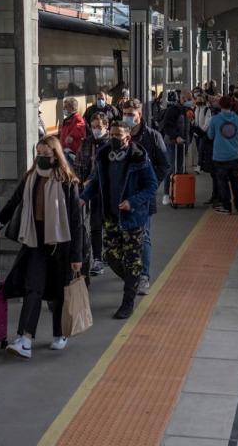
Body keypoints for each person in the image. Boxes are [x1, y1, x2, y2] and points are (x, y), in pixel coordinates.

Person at [0, 136, 84, 358]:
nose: (41, 159)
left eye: (46, 155)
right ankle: (25, 339)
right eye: (38, 155)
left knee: (58, 292)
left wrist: (76, 255)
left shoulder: (67, 181)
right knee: (33, 287)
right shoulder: (31, 178)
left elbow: (76, 222)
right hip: (35, 240)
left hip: (62, 243)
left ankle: (60, 333)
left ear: (55, 156)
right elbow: (14, 202)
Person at [80, 119, 158, 319]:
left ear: (127, 137)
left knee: (132, 260)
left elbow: (151, 186)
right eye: (112, 135)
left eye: (118, 136)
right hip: (111, 217)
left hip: (132, 218)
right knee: (112, 257)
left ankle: (127, 302)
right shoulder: (104, 155)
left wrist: (132, 202)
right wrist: (84, 197)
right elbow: (97, 180)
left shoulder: (139, 157)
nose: (113, 139)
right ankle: (132, 281)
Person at [121, 99, 169, 295]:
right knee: (124, 235)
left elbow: (164, 165)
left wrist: (151, 186)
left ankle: (144, 276)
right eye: (125, 113)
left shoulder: (152, 137)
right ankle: (129, 272)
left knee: (144, 236)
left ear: (140, 115)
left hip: (143, 197)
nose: (128, 117)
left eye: (131, 114)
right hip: (122, 196)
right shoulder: (119, 135)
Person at [75, 112, 110, 276]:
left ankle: (110, 252)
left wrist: (91, 179)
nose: (96, 130)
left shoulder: (111, 144)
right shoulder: (86, 143)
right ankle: (97, 258)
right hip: (92, 192)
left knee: (109, 224)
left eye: (99, 127)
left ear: (106, 127)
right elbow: (78, 165)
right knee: (95, 225)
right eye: (94, 127)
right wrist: (81, 184)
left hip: (109, 192)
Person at [207, 96, 238, 214]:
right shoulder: (237, 119)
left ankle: (226, 207)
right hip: (234, 155)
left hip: (220, 156)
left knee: (222, 182)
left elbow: (210, 136)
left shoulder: (215, 119)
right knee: (235, 181)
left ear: (220, 105)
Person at [159, 90, 191, 204]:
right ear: (180, 98)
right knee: (171, 167)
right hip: (172, 143)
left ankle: (178, 193)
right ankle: (166, 194)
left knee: (180, 168)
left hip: (183, 143)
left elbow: (189, 127)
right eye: (185, 99)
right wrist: (175, 136)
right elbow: (167, 126)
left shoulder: (188, 110)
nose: (187, 101)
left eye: (189, 99)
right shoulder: (173, 110)